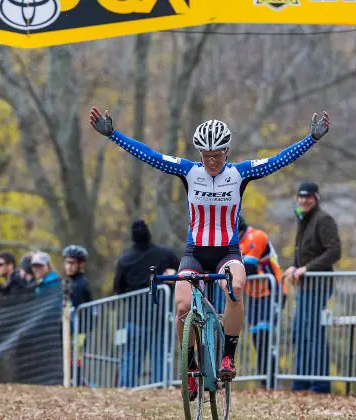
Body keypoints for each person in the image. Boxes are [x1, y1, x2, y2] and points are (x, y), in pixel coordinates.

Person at [90, 106, 330, 398]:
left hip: (227, 251)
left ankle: (228, 355)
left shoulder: (240, 173)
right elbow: (151, 156)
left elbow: (279, 161)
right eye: (205, 156)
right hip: (194, 251)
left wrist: (312, 139)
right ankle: (190, 365)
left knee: (236, 285)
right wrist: (113, 135)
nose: (211, 161)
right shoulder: (188, 171)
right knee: (180, 306)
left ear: (227, 151)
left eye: (216, 155)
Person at [282, 181, 341, 394]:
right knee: (300, 332)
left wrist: (306, 268)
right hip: (305, 287)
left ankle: (320, 384)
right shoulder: (304, 219)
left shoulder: (323, 219)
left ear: (316, 198)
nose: (304, 200)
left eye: (308, 197)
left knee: (315, 332)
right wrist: (295, 267)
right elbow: (306, 251)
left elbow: (334, 252)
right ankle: (302, 381)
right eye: (301, 196)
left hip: (319, 285)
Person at [113, 219, 180, 387]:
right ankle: (159, 388)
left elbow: (118, 289)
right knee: (159, 355)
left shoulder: (125, 260)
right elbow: (184, 271)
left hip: (135, 318)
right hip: (160, 315)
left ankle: (126, 389)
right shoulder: (164, 254)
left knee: (131, 358)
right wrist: (171, 278)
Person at [237, 215, 286, 388]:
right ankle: (265, 381)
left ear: (240, 231)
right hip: (255, 295)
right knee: (257, 338)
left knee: (266, 337)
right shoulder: (236, 243)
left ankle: (272, 381)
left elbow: (248, 268)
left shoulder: (256, 236)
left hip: (272, 291)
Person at [62, 245, 93, 309]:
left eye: (72, 263)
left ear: (81, 264)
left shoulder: (80, 284)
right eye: (67, 262)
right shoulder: (69, 280)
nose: (69, 267)